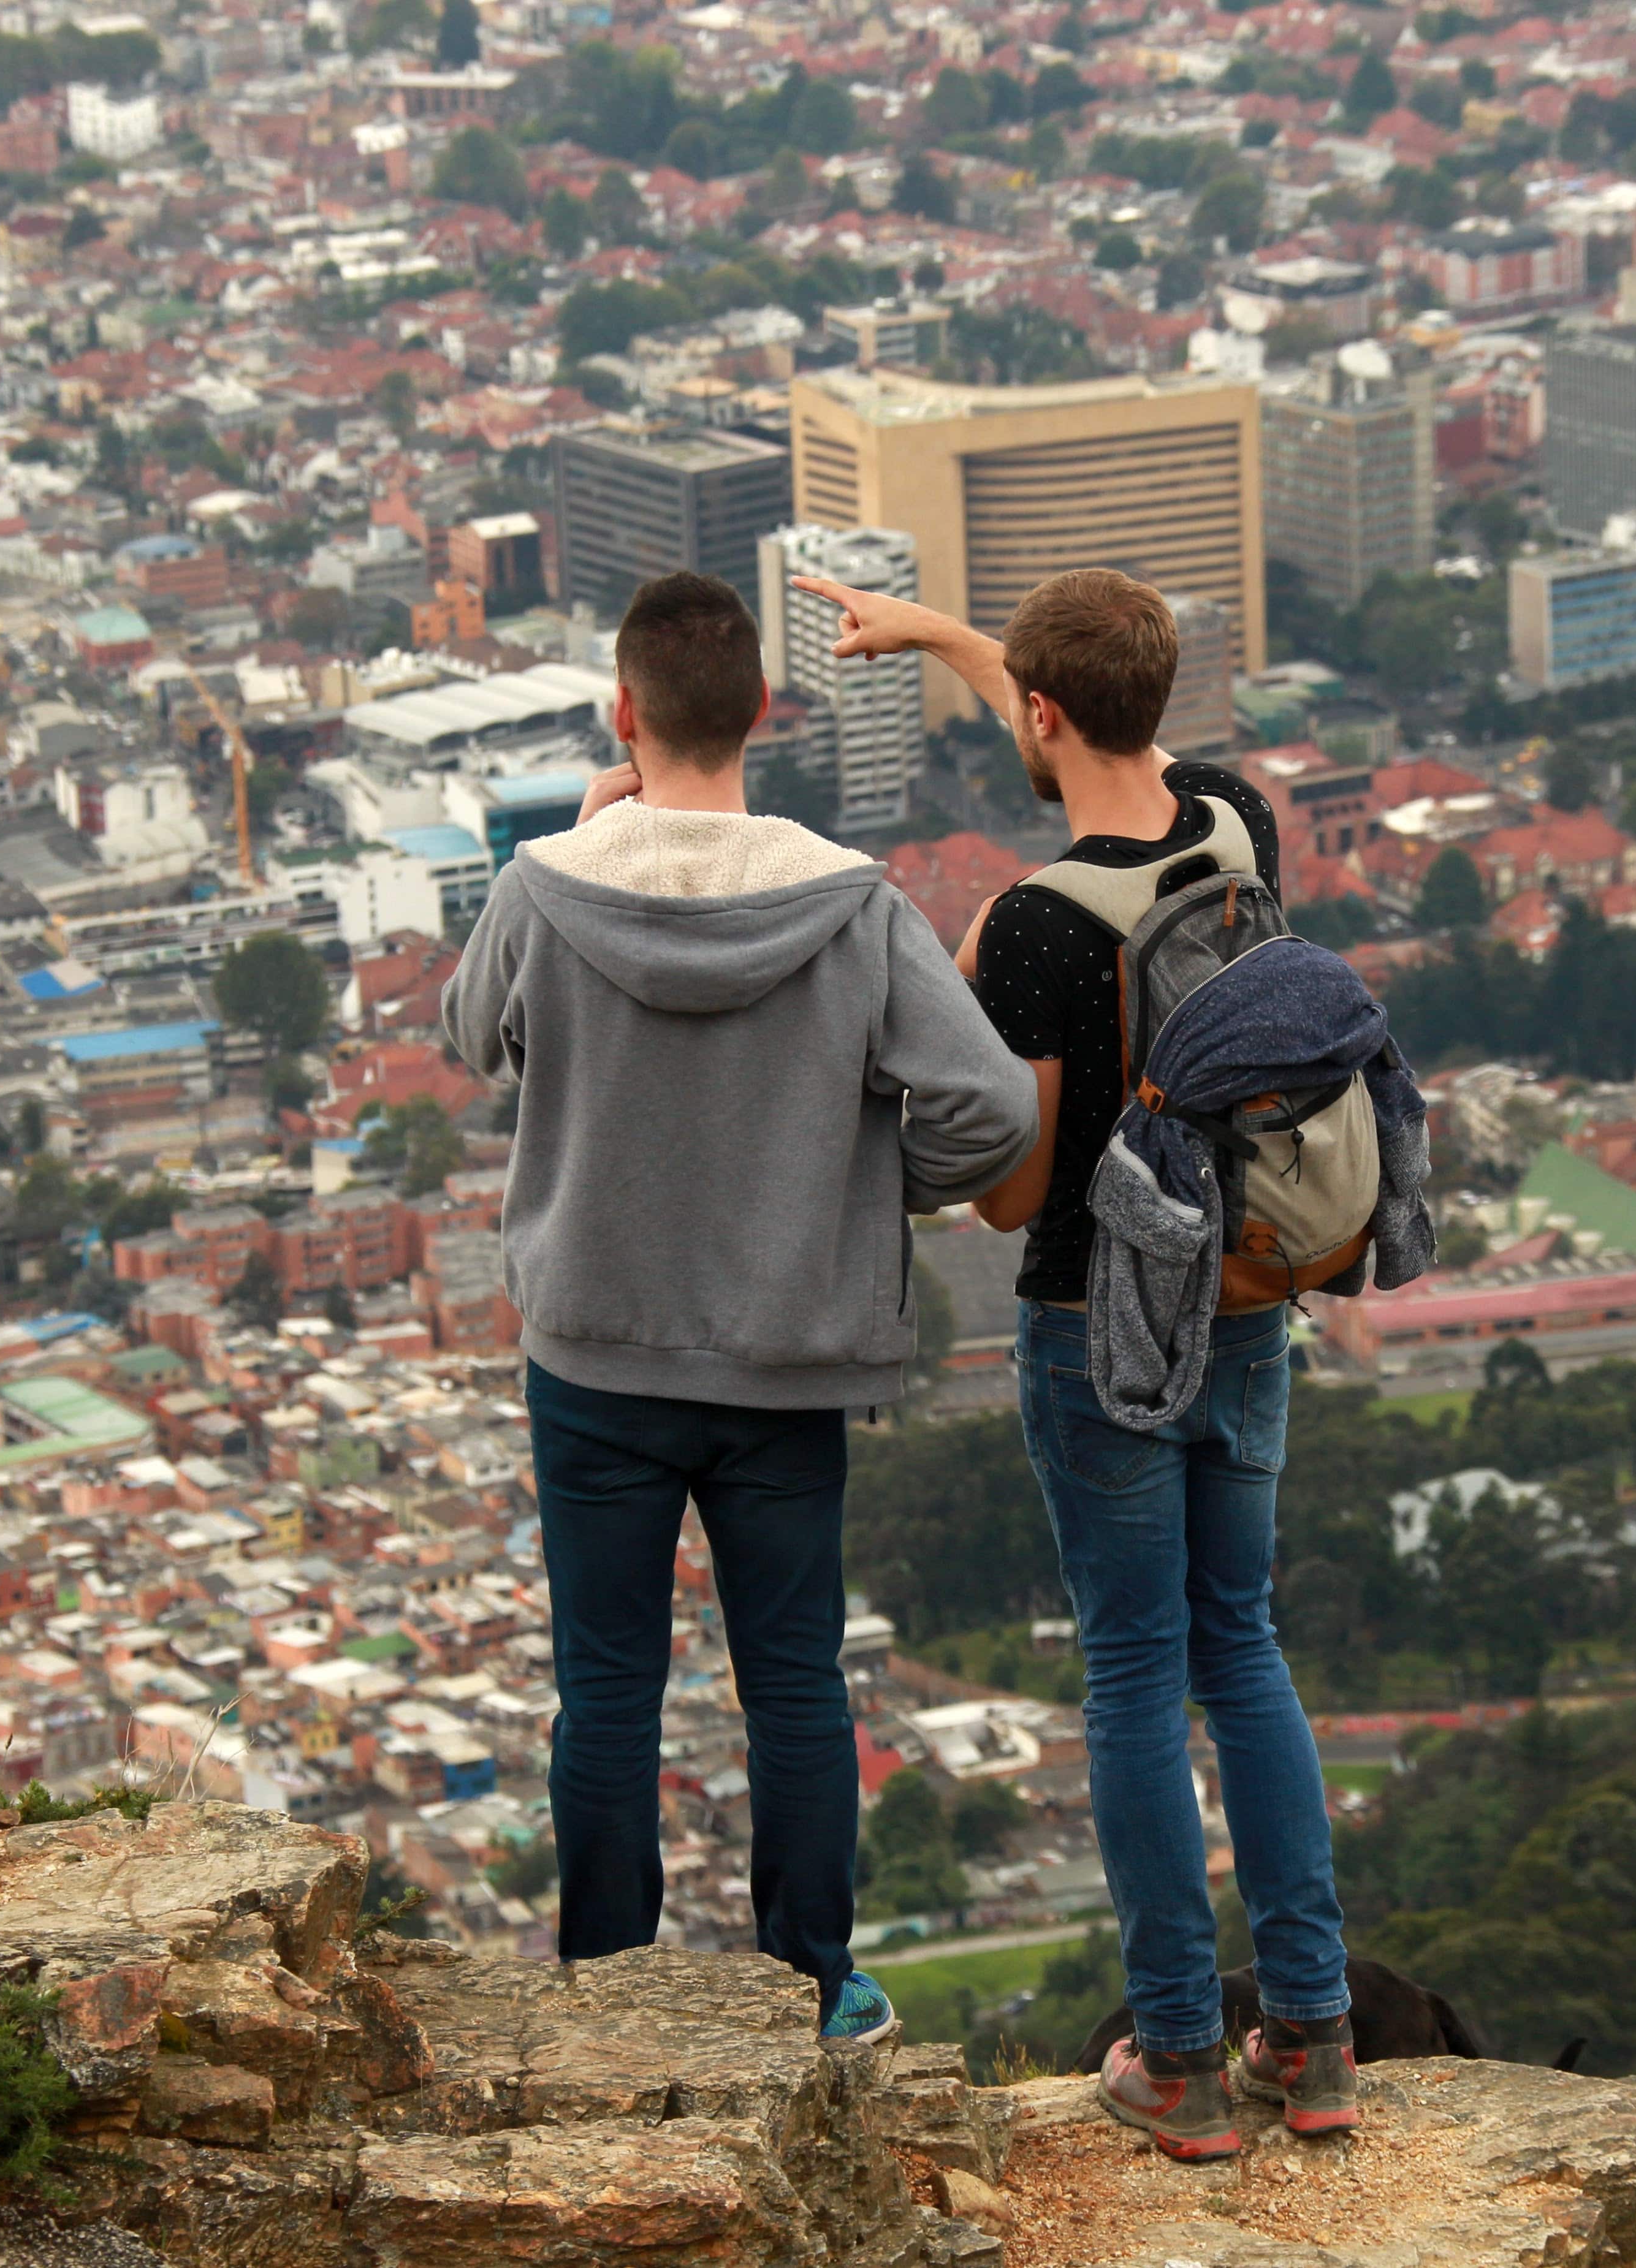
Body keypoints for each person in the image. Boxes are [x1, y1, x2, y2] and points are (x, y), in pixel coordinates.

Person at [791, 564, 1356, 2156]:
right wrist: (947, 640)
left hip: (1094, 1324)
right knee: (1239, 1646)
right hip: (1245, 1294)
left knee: (1129, 1672)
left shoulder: (1031, 923)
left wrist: (965, 1017)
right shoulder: (1238, 818)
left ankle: (1177, 2053)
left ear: (1041, 714)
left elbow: (1014, 1187)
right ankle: (1308, 2038)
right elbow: (1080, 724)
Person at [443, 571, 1038, 2045]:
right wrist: (848, 1189)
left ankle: (603, 1996)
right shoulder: (851, 901)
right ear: (763, 713)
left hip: (595, 1359)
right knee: (791, 1680)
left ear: (621, 715)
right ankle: (816, 1982)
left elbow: (470, 1037)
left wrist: (582, 845)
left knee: (607, 1694)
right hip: (785, 1360)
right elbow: (990, 1110)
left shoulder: (543, 884)